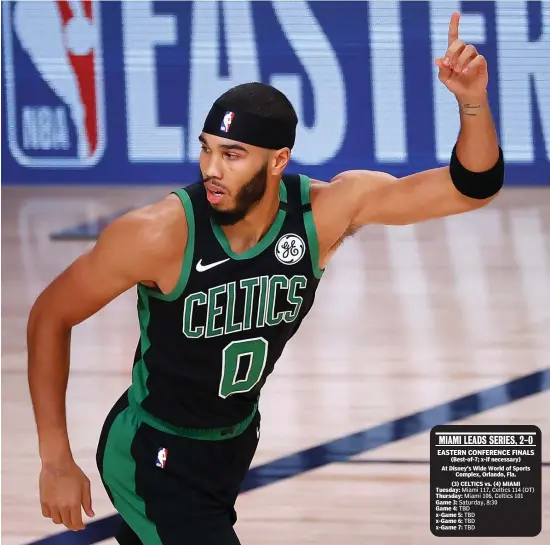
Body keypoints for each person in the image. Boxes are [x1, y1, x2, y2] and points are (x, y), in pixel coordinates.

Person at [27, 12, 504, 545]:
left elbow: (471, 187)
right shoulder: (158, 234)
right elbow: (51, 315)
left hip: (233, 439)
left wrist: (472, 102)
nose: (212, 167)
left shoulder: (323, 213)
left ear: (278, 161)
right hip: (154, 452)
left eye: (232, 155)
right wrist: (55, 460)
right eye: (207, 148)